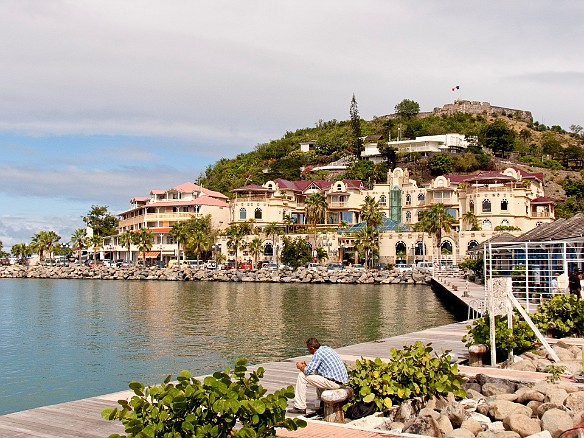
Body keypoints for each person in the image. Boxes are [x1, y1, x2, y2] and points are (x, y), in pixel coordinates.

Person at [289, 337, 348, 415]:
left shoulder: (318, 354)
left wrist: (301, 367)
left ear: (312, 348)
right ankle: (321, 404)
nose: (309, 351)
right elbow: (316, 370)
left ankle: (300, 406)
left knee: (302, 376)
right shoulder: (326, 349)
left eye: (309, 349)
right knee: (317, 376)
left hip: (334, 383)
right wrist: (306, 366)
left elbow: (307, 371)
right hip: (341, 381)